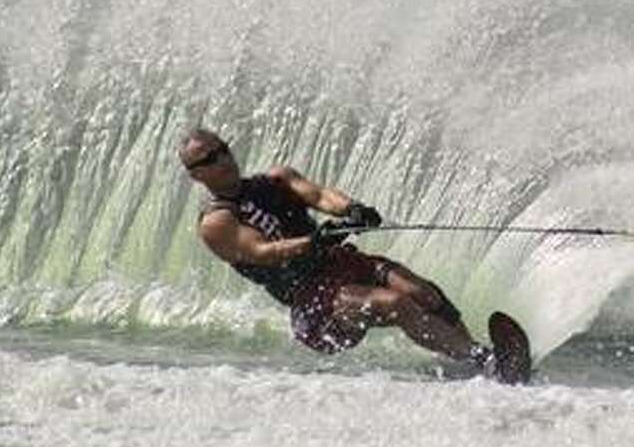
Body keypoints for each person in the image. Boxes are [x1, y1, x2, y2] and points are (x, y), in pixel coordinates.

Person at [179, 128, 528, 382]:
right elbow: (262, 251)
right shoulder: (216, 222)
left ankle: (474, 359)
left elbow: (318, 196)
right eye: (210, 158)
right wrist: (312, 242)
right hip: (314, 305)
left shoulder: (276, 179)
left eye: (223, 148)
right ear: (196, 174)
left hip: (342, 265)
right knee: (396, 303)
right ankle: (483, 359)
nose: (224, 159)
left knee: (423, 293)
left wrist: (352, 210)